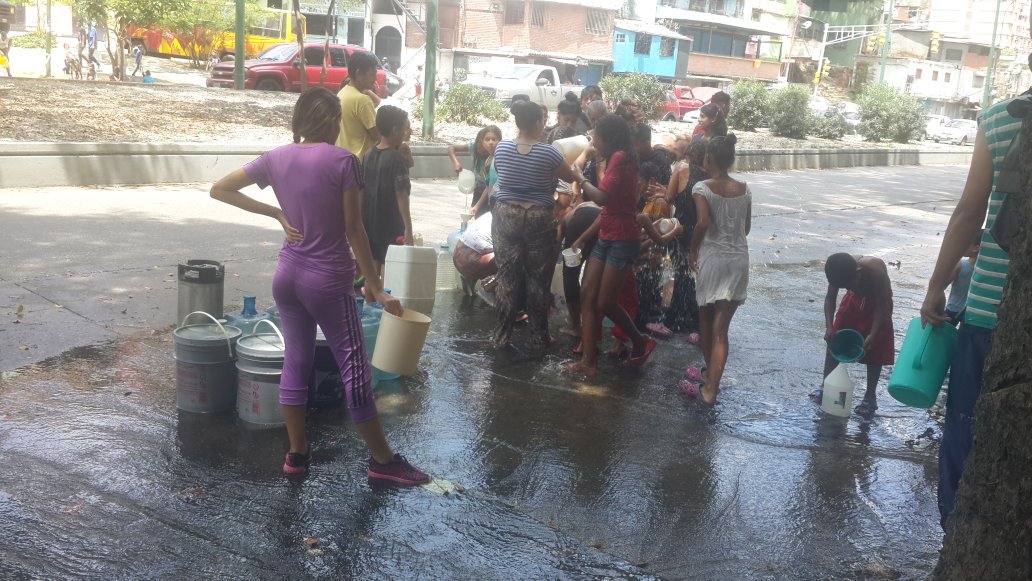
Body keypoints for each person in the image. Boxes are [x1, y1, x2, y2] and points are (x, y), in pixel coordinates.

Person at [209, 87, 429, 484]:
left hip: (287, 277)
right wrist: (376, 287)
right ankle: (382, 461)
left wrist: (276, 212)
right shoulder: (343, 160)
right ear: (330, 122)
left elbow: (219, 188)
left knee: (296, 362)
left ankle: (297, 454)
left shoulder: (276, 158)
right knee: (356, 369)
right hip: (327, 279)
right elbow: (354, 230)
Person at [919, 61, 1029, 529]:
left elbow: (969, 211)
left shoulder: (1003, 117)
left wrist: (935, 288)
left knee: (965, 423)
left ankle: (957, 531)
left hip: (988, 311)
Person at [566, 114, 658, 377]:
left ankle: (640, 341)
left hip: (621, 239)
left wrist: (578, 177)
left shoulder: (620, 158)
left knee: (605, 301)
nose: (592, 140)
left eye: (595, 136)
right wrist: (584, 237)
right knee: (588, 294)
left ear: (608, 138)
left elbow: (602, 197)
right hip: (607, 234)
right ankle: (588, 361)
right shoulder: (616, 157)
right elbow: (609, 208)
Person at [490, 99, 581, 348]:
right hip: (539, 217)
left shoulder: (502, 147)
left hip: (506, 214)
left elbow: (502, 173)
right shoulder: (549, 152)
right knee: (538, 281)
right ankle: (539, 337)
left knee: (506, 278)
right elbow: (569, 177)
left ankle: (500, 337)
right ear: (539, 123)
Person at [680, 134, 750, 406]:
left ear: (708, 158)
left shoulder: (702, 187)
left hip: (712, 259)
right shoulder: (745, 188)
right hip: (738, 260)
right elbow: (745, 228)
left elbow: (702, 223)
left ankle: (710, 388)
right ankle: (710, 377)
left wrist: (693, 249)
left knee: (706, 321)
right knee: (722, 330)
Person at [816, 252, 894, 418]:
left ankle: (870, 397)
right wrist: (829, 327)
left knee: (875, 348)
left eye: (849, 284)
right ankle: (826, 386)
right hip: (853, 301)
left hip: (878, 305)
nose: (846, 287)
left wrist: (873, 333)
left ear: (858, 271)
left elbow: (882, 304)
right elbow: (830, 298)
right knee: (834, 341)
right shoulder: (838, 270)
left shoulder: (876, 270)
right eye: (842, 286)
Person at [362, 105, 413, 273]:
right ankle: (383, 299)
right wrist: (408, 228)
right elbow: (401, 195)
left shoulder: (369, 154)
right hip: (390, 224)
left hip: (369, 221)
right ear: (395, 130)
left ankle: (371, 299)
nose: (407, 132)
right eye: (405, 128)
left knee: (372, 266)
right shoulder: (396, 158)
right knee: (389, 268)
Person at [665, 139, 706, 340]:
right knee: (698, 276)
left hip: (681, 230)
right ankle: (697, 323)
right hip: (701, 231)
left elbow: (669, 197)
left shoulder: (681, 169)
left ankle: (676, 320)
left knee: (682, 274)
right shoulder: (712, 176)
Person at [559, 200, 602, 337]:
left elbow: (557, 240)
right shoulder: (592, 205)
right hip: (601, 220)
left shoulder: (564, 221)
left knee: (570, 274)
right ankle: (591, 325)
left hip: (582, 219)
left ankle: (576, 326)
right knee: (591, 277)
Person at [447, 125, 502, 216]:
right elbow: (489, 186)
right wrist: (455, 163)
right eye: (487, 140)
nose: (490, 143)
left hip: (496, 198)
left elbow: (490, 186)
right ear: (481, 142)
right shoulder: (479, 152)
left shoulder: (497, 157)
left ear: (499, 140)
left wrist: (476, 206)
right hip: (480, 190)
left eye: (494, 139)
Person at [335, 51, 381, 161]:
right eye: (372, 74)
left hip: (343, 159)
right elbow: (378, 138)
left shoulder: (342, 93)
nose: (375, 79)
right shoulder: (362, 100)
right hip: (360, 164)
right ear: (359, 73)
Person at [944, 230, 982, 325]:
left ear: (975, 248)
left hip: (953, 309)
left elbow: (943, 285)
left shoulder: (960, 265)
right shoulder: (982, 270)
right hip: (971, 312)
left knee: (943, 335)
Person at [453, 211, 496, 295]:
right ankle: (493, 287)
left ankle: (470, 277)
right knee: (516, 257)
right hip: (475, 261)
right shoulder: (514, 216)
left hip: (458, 255)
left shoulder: (495, 210)